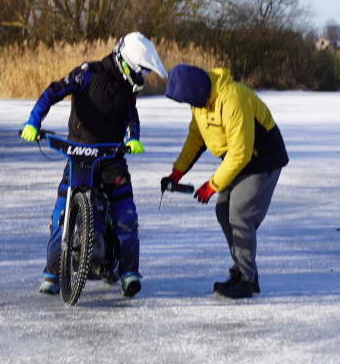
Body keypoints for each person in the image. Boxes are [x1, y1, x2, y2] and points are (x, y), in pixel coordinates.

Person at [20, 33, 168, 298]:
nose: (143, 76)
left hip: (111, 159)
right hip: (79, 155)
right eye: (142, 70)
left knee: (126, 216)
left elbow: (131, 116)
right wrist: (33, 121)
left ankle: (129, 273)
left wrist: (133, 139)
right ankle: (52, 273)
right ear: (126, 64)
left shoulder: (127, 90)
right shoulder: (87, 73)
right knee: (60, 217)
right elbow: (53, 92)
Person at [161, 64, 288, 299]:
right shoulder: (200, 104)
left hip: (262, 160)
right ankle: (246, 273)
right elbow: (195, 139)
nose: (187, 105)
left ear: (196, 91)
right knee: (223, 210)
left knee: (240, 213)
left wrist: (212, 185)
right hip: (238, 160)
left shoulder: (232, 99)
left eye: (186, 99)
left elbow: (241, 152)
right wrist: (178, 171)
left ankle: (245, 280)